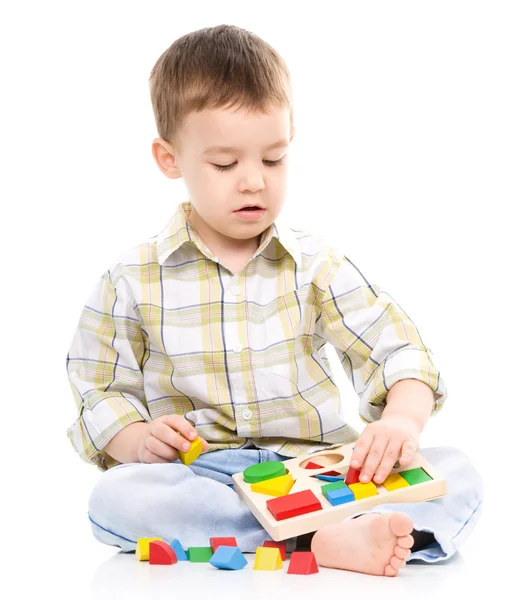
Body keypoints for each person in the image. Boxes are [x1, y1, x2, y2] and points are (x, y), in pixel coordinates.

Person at [66, 24, 483, 577]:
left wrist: (401, 424)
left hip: (324, 471)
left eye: (274, 158)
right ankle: (318, 542)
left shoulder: (317, 265)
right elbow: (98, 387)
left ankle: (320, 531)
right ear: (170, 159)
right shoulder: (131, 278)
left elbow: (397, 349)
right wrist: (139, 439)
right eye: (224, 164)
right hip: (210, 477)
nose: (253, 182)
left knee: (458, 470)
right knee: (118, 497)